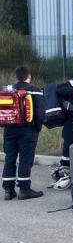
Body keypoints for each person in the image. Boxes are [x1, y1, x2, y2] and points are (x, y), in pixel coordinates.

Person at [3, 66, 45, 200]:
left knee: (10, 158)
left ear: (16, 77)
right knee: (25, 159)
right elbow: (39, 113)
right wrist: (37, 128)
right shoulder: (35, 91)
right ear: (29, 77)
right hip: (27, 130)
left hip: (9, 129)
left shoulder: (8, 91)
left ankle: (8, 190)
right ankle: (24, 189)